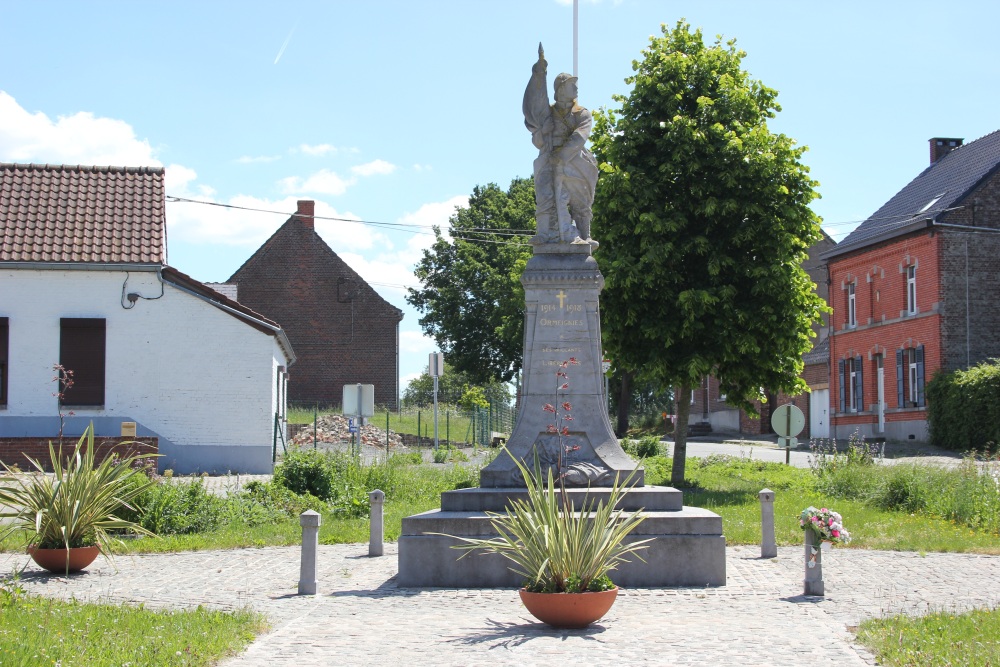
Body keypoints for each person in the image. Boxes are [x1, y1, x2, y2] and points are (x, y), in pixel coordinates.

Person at [523, 44, 599, 246]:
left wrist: (562, 157)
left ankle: (584, 236)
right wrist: (543, 131)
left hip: (574, 161)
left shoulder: (582, 113)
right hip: (549, 159)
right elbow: (537, 141)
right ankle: (544, 234)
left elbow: (579, 137)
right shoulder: (547, 113)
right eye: (571, 85)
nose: (576, 87)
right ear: (560, 89)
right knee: (545, 195)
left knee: (580, 200)